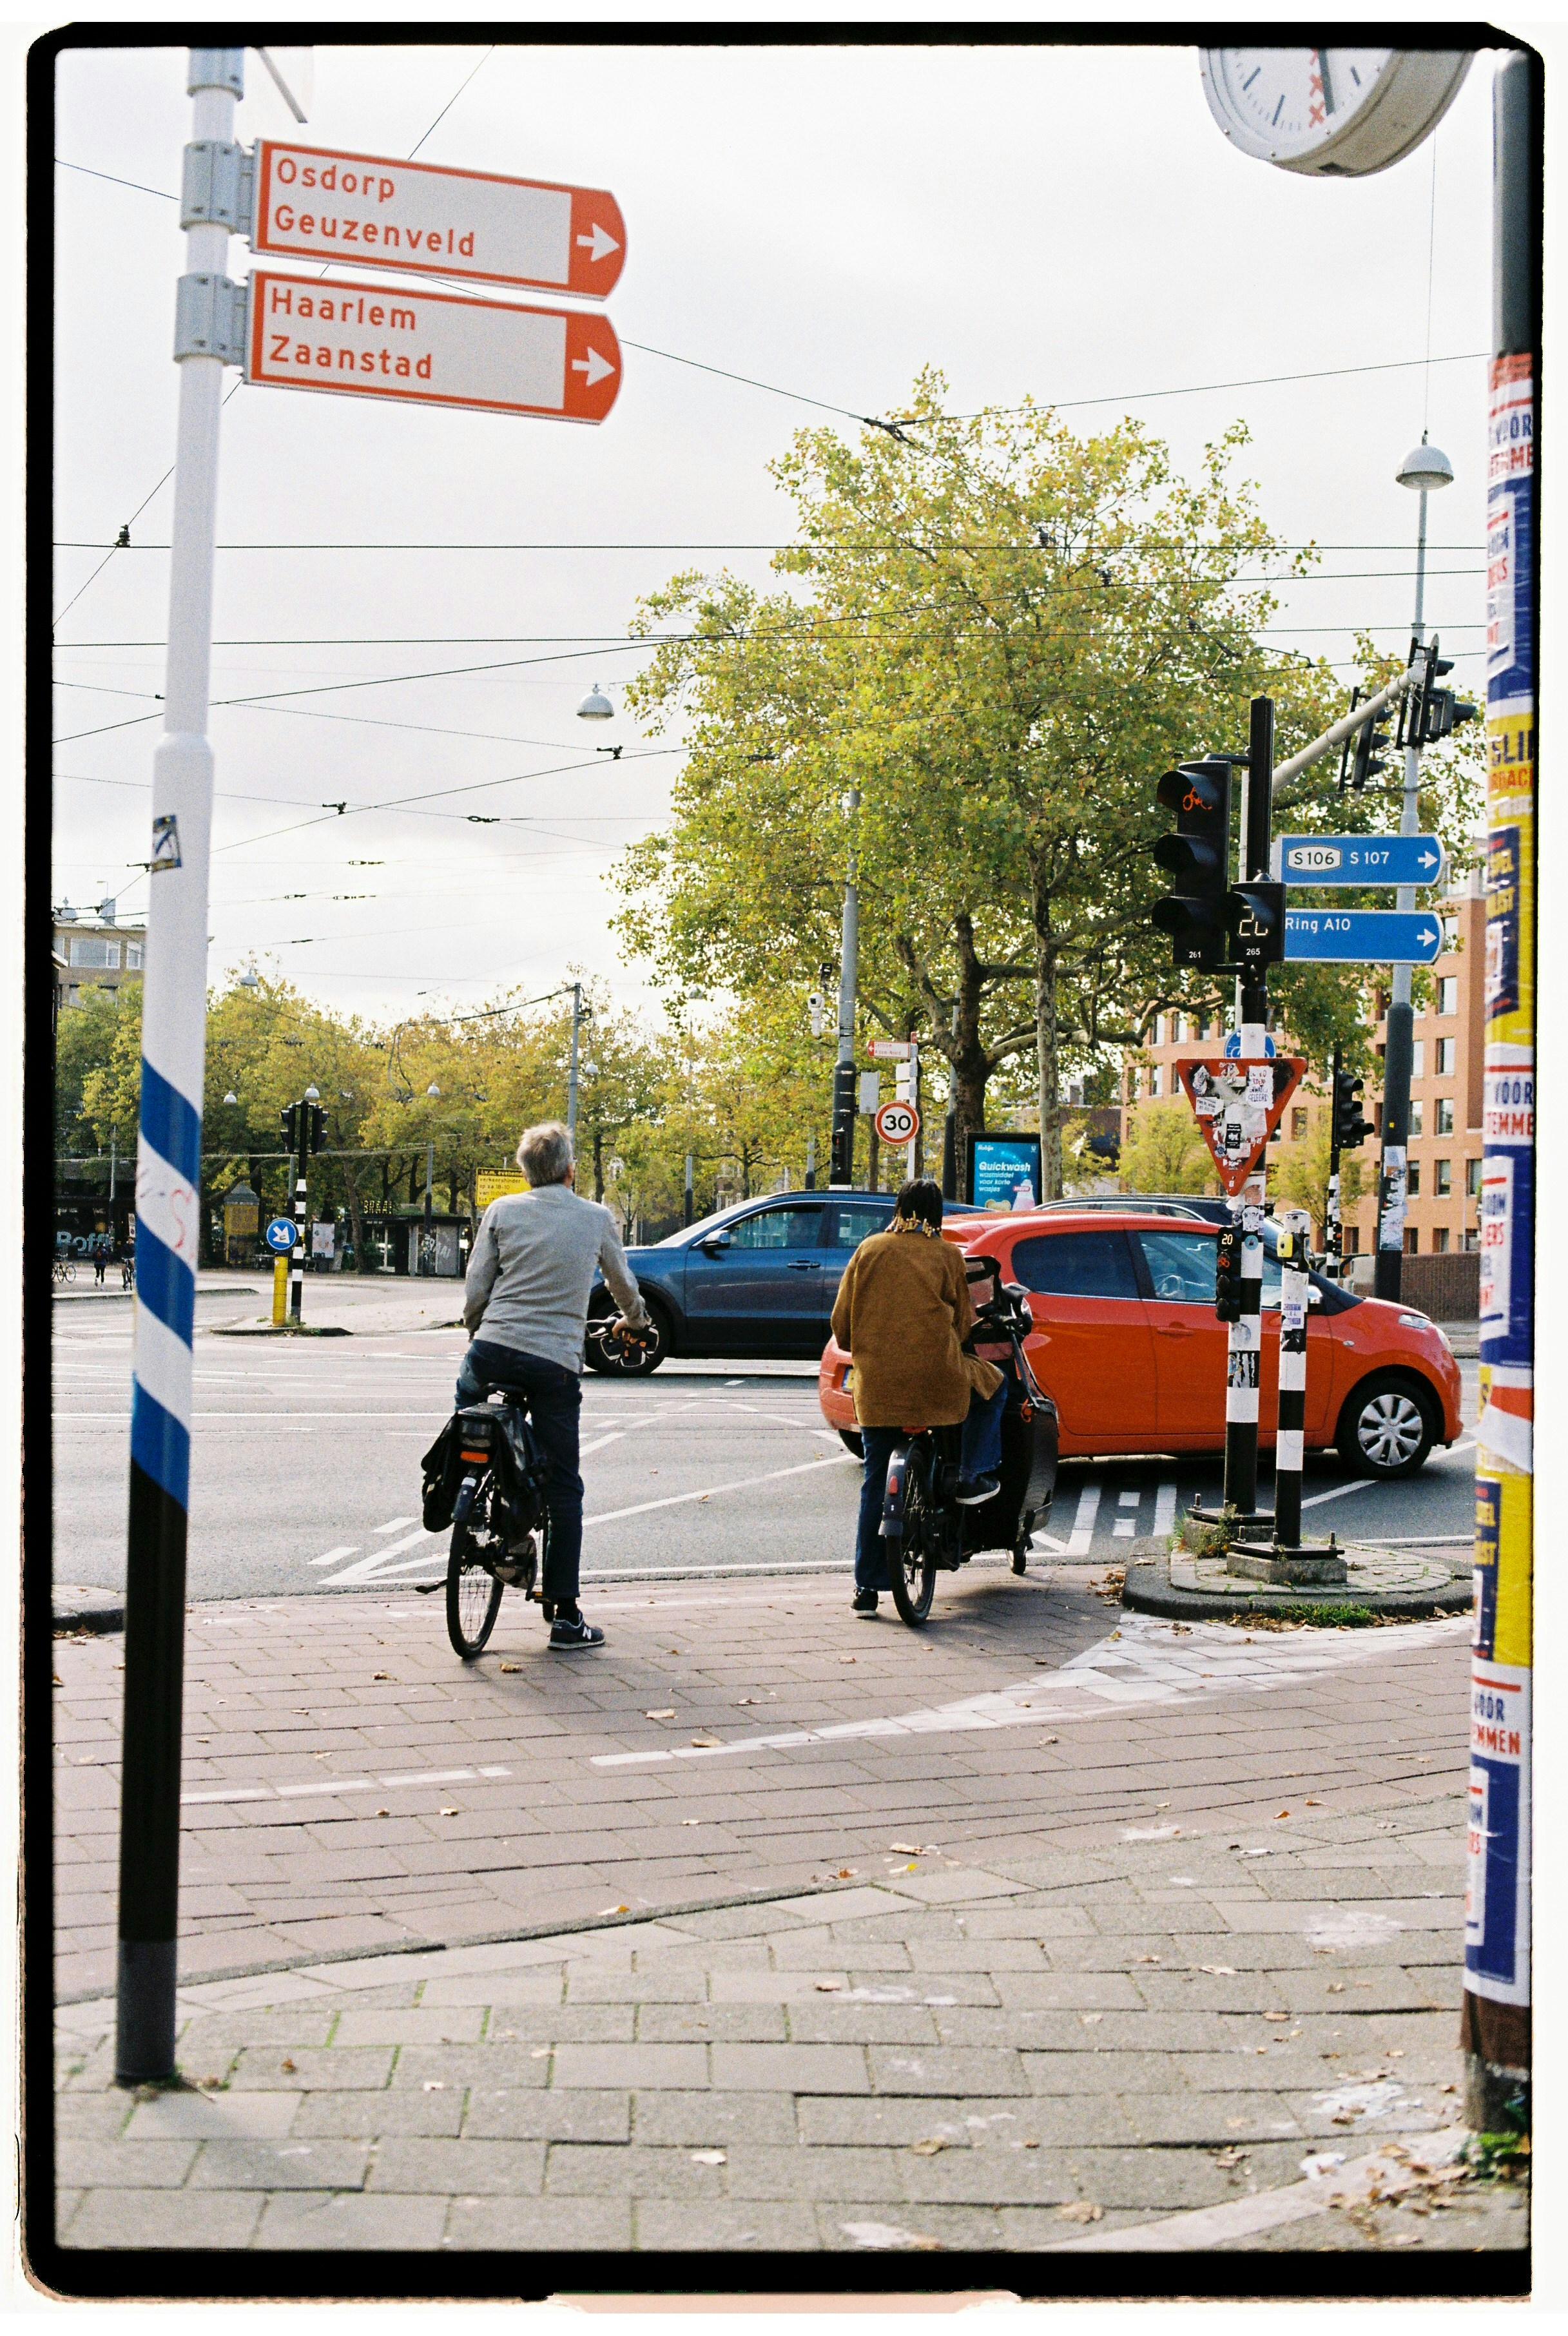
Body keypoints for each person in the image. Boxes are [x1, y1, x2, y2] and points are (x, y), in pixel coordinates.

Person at [455, 1120, 648, 1652]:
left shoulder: (501, 1211)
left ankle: (463, 1488)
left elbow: (478, 1285)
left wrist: (478, 1331)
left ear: (524, 1172)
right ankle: (564, 1614)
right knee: (565, 1487)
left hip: (491, 1349)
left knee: (465, 1418)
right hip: (553, 1362)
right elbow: (621, 1284)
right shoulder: (594, 1217)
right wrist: (635, 1319)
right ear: (568, 1169)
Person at [830, 1177, 1008, 1618]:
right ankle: (968, 1473)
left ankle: (866, 1588)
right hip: (938, 1380)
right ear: (936, 1214)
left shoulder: (868, 1250)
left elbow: (841, 1325)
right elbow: (964, 1327)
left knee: (875, 1478)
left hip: (878, 1387)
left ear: (898, 1207)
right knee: (994, 1387)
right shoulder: (947, 1254)